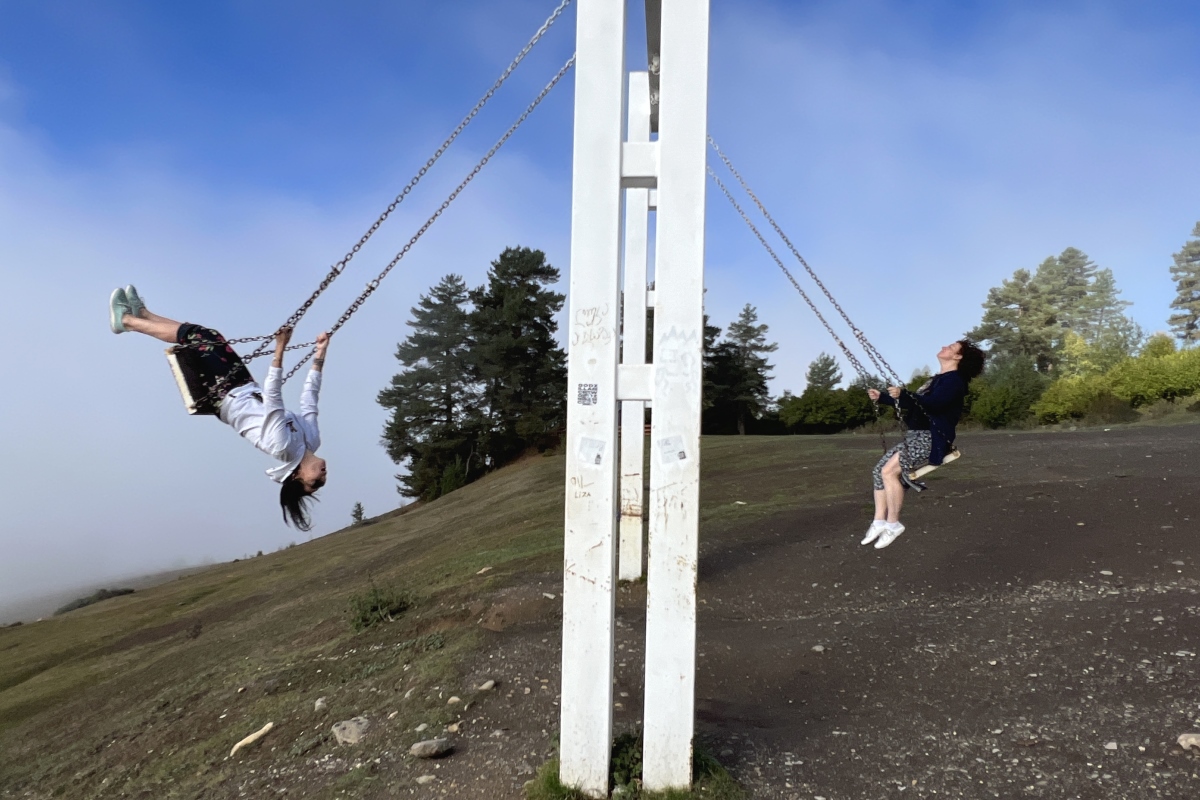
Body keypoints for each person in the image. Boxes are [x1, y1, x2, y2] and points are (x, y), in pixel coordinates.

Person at [109, 284, 330, 530]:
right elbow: (310, 399)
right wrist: (320, 353)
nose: (323, 476)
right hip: (244, 387)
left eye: (315, 483)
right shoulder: (311, 440)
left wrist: (280, 348)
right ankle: (144, 315)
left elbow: (275, 399)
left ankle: (127, 321)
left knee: (201, 339)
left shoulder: (283, 446)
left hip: (223, 396)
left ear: (297, 476)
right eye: (323, 480)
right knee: (209, 336)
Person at [861, 339, 985, 549]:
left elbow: (934, 405)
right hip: (915, 436)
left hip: (930, 438)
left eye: (952, 347)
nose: (945, 346)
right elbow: (917, 403)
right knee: (879, 471)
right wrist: (883, 398)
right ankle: (879, 521)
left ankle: (893, 524)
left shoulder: (955, 381)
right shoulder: (937, 379)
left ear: (958, 357)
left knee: (889, 472)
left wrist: (905, 394)